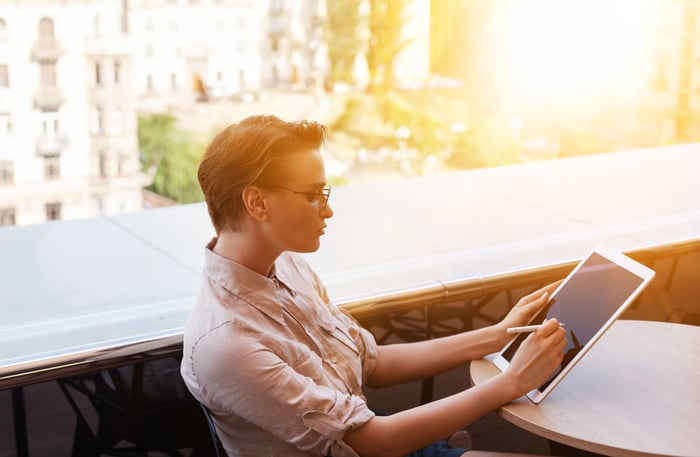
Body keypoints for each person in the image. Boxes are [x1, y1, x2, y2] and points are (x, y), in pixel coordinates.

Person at [180, 114, 568, 457]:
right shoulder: (225, 345)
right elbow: (373, 442)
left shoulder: (286, 265)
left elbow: (373, 363)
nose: (328, 210)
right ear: (257, 203)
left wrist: (497, 336)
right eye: (314, 195)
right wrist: (511, 381)